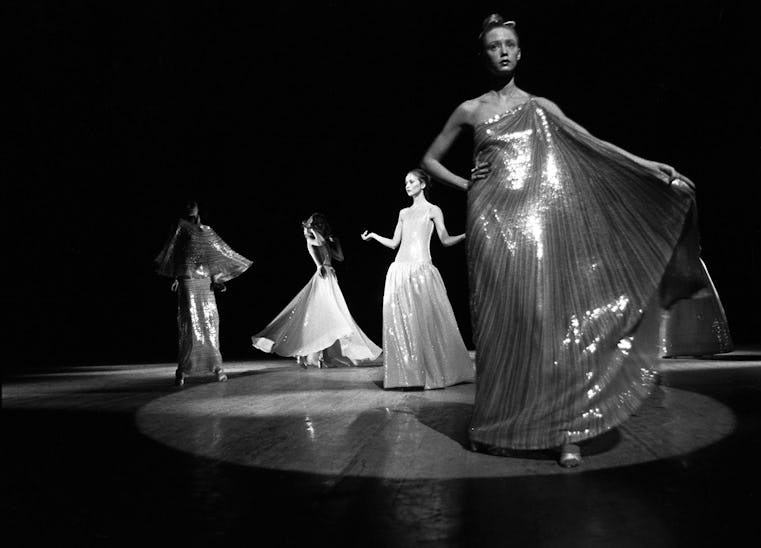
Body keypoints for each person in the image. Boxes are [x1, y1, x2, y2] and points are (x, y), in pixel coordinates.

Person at [420, 14, 730, 466]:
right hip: (491, 221)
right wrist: (468, 184)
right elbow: (429, 160)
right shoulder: (470, 109)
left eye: (509, 44)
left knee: (549, 319)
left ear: (520, 52)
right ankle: (499, 423)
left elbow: (589, 141)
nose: (502, 51)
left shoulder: (540, 106)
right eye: (493, 45)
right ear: (483, 55)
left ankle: (568, 428)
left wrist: (644, 165)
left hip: (537, 220)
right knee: (500, 323)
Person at [361, 169, 475, 389]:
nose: (407, 185)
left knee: (425, 321)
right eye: (406, 182)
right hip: (399, 269)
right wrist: (373, 236)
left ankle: (431, 372)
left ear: (422, 184)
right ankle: (408, 375)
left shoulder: (433, 210)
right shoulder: (403, 213)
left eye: (412, 181)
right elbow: (394, 243)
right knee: (402, 323)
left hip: (421, 269)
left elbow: (445, 239)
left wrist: (466, 235)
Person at [252, 213, 381, 367]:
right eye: (315, 225)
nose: (318, 227)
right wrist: (311, 229)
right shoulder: (311, 240)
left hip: (330, 276)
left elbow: (340, 257)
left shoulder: (323, 241)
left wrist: (336, 243)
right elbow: (320, 243)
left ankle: (322, 356)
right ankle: (310, 355)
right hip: (323, 276)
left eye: (319, 225)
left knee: (329, 316)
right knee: (328, 314)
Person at [154, 201, 252, 386]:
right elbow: (174, 254)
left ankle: (216, 366)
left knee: (210, 322)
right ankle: (183, 369)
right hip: (187, 279)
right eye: (186, 204)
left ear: (199, 208)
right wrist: (175, 277)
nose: (189, 206)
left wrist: (217, 280)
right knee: (190, 323)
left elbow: (212, 257)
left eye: (193, 204)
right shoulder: (179, 228)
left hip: (204, 280)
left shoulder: (206, 231)